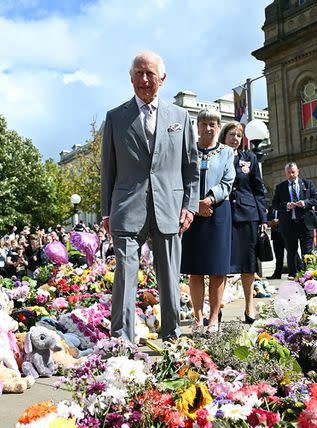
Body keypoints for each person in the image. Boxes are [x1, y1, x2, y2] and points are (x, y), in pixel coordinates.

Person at [100, 51, 199, 343]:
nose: (144, 80)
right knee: (125, 276)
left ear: (162, 79)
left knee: (169, 277)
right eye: (138, 74)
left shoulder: (180, 117)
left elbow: (190, 167)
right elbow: (109, 169)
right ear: (131, 78)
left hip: (169, 207)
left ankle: (172, 336)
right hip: (127, 209)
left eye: (150, 74)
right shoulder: (116, 117)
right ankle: (122, 341)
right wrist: (106, 212)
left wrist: (190, 206)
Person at [181, 108, 235, 335]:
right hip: (192, 214)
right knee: (195, 270)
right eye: (204, 123)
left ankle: (213, 318)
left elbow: (228, 181)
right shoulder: (188, 150)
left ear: (218, 126)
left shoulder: (227, 152)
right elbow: (181, 180)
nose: (208, 128)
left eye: (213, 124)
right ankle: (198, 317)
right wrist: (196, 204)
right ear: (197, 126)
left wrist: (210, 199)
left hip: (218, 213)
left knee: (216, 270)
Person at [221, 121, 266, 324]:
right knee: (220, 264)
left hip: (248, 214)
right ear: (223, 137)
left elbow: (258, 188)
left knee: (248, 265)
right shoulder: (216, 156)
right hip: (223, 215)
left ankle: (249, 306)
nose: (235, 139)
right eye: (231, 134)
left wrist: (263, 218)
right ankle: (217, 306)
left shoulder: (250, 158)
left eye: (239, 135)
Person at [271, 162, 317, 276]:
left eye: (293, 172)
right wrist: (286, 206)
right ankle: (293, 276)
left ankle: (309, 276)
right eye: (288, 173)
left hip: (305, 223)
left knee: (307, 252)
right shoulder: (280, 187)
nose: (291, 175)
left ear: (298, 171)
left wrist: (305, 203)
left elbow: (316, 199)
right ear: (285, 173)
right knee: (291, 252)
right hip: (289, 224)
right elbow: (275, 204)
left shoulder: (308, 184)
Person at [266, 206, 286, 279]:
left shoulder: (285, 206)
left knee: (293, 254)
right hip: (275, 235)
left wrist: (279, 221)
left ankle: (299, 271)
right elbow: (267, 221)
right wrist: (270, 222)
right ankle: (277, 274)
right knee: (278, 256)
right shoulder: (271, 208)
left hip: (286, 234)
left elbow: (289, 218)